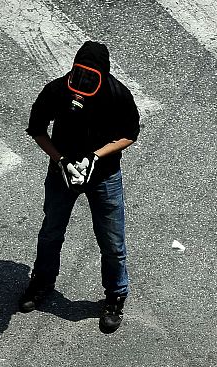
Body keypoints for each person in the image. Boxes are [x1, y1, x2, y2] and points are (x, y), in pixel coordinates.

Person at [20, 40, 140, 333]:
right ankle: (41, 283)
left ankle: (115, 296)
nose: (80, 86)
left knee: (112, 242)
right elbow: (36, 128)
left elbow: (130, 134)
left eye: (90, 78)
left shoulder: (118, 95)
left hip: (104, 175)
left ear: (102, 76)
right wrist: (61, 161)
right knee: (51, 232)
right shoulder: (57, 90)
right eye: (79, 75)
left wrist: (94, 157)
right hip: (63, 172)